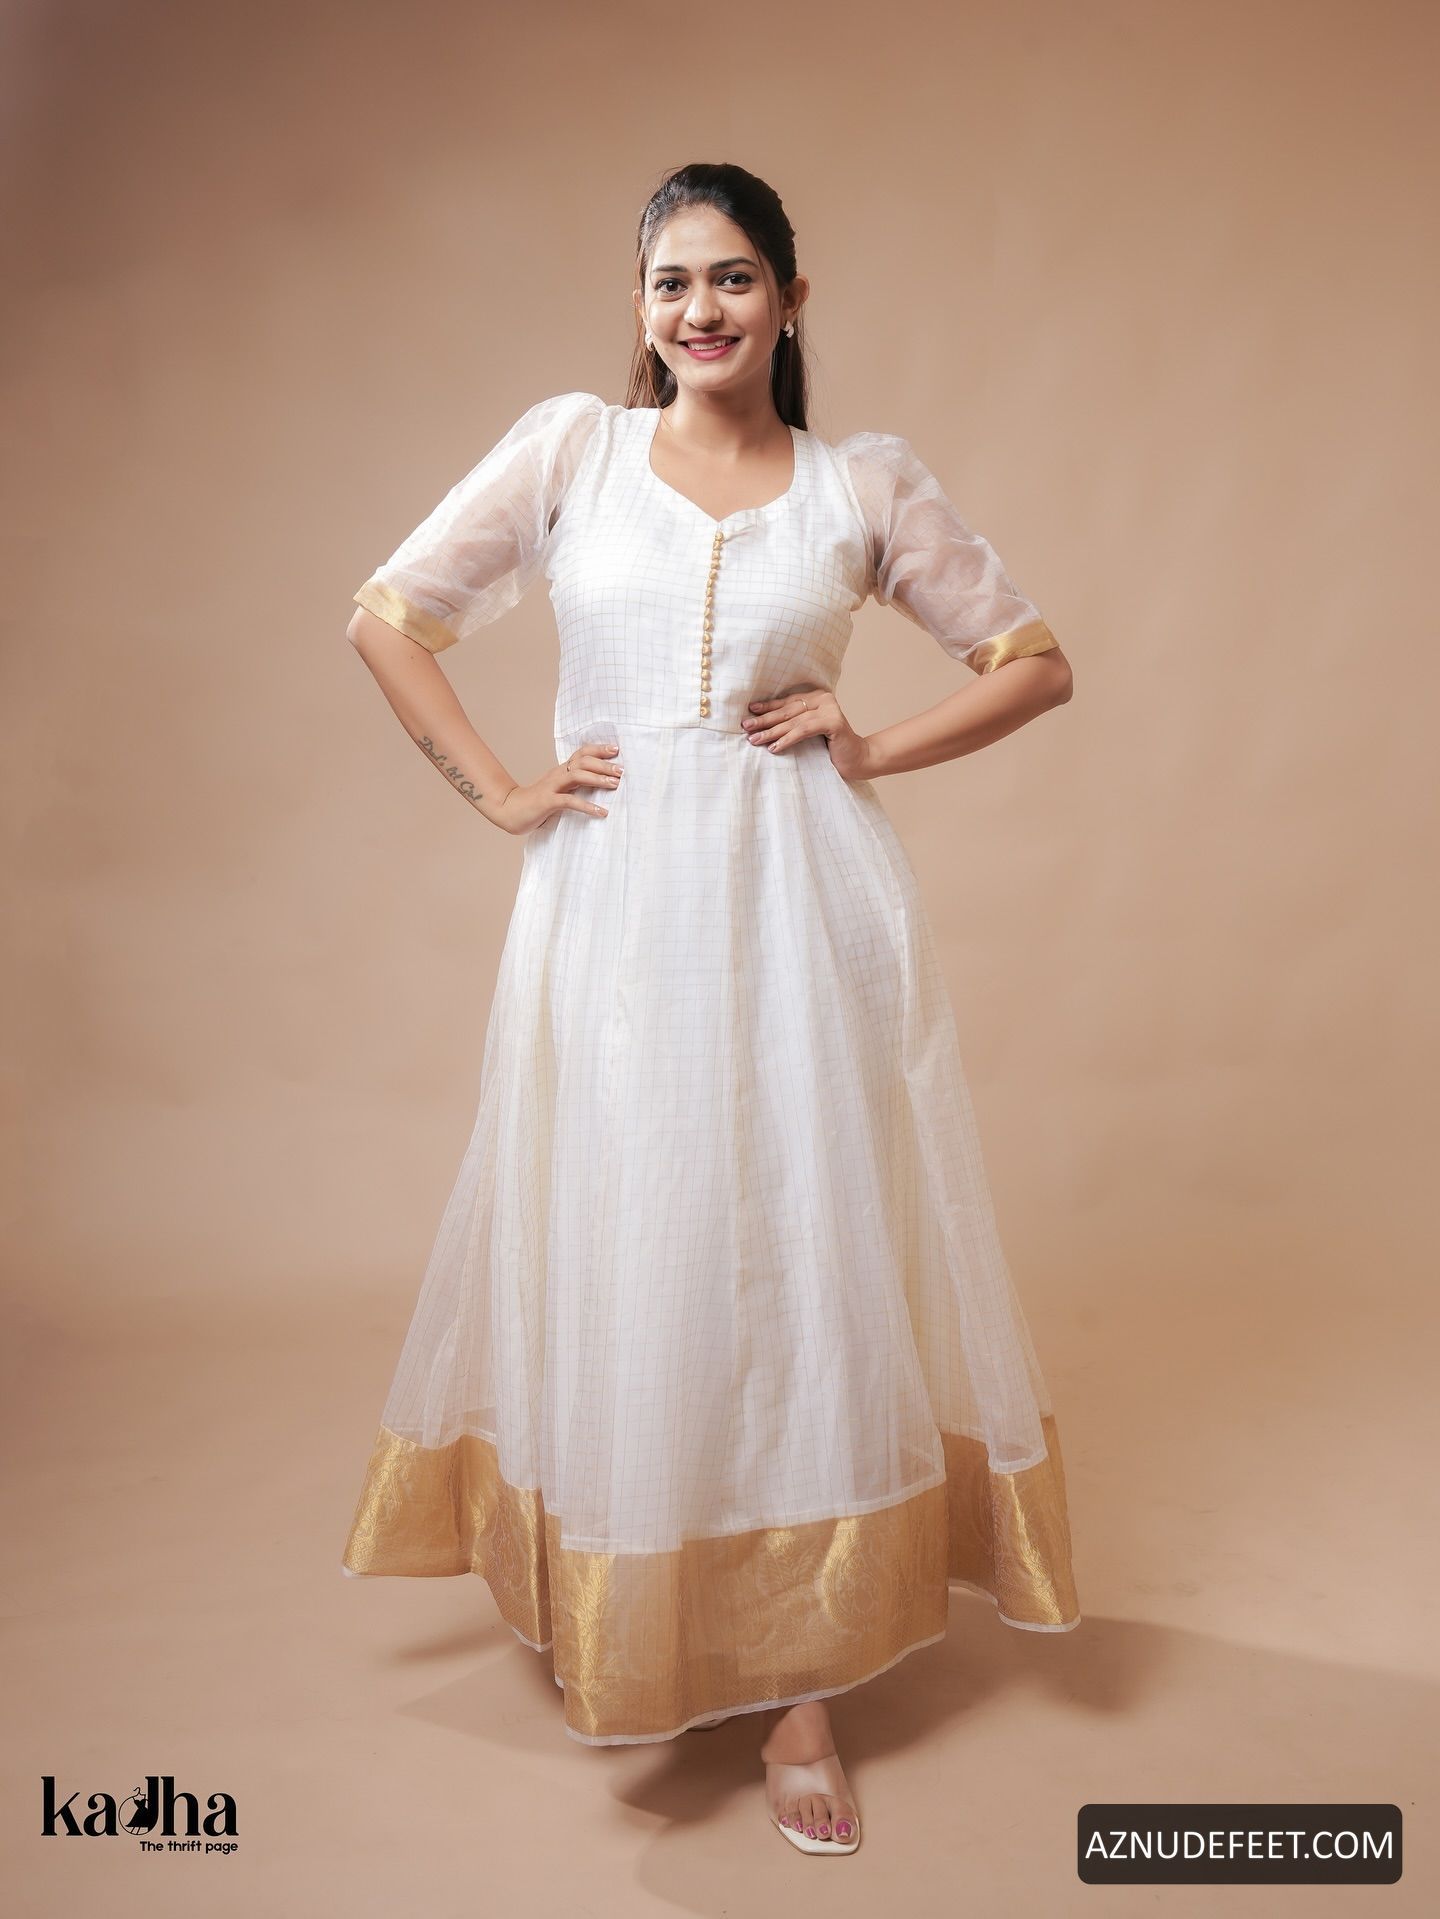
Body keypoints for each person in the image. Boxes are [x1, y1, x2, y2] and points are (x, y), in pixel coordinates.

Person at [340, 160, 1080, 1858]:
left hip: (801, 907)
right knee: (632, 1235)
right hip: (608, 914)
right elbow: (389, 619)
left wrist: (868, 747)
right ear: (640, 306)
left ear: (790, 300)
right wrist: (499, 790)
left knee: (795, 1244)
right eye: (671, 282)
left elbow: (1036, 663)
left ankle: (799, 1683)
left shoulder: (859, 484)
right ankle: (635, 1600)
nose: (701, 309)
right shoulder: (573, 456)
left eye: (734, 278)